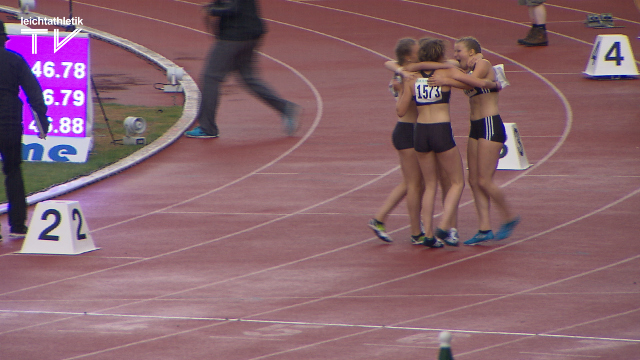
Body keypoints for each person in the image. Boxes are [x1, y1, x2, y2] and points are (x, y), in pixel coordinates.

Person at [396, 38, 498, 248]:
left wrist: (405, 88)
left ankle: (428, 234)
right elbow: (471, 84)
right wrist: (493, 84)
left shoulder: (411, 77)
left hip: (420, 132)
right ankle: (445, 226)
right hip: (440, 130)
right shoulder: (447, 72)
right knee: (457, 182)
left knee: (430, 184)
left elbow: (401, 110)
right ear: (440, 55)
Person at [427, 37, 520, 244]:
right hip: (476, 126)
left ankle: (509, 217)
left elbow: (469, 81)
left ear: (471, 51)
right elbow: (443, 64)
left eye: (458, 51)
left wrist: (447, 81)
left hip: (489, 124)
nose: (455, 55)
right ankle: (484, 228)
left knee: (484, 180)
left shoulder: (482, 63)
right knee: (473, 180)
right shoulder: (465, 67)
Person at [185, 0, 299, 139]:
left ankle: (207, 127)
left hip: (234, 37)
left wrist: (212, 11)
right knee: (248, 77)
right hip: (251, 34)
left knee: (211, 78)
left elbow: (233, 7)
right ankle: (285, 108)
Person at [368, 38, 425, 244]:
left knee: (413, 183)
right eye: (419, 51)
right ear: (409, 56)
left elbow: (389, 63)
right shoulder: (407, 76)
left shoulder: (403, 72)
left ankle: (380, 219)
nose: (423, 52)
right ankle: (416, 231)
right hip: (407, 131)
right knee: (414, 184)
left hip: (410, 130)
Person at [0, 20, 49, 240]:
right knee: (13, 171)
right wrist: (42, 121)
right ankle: (18, 224)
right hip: (10, 123)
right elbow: (33, 91)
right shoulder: (15, 60)